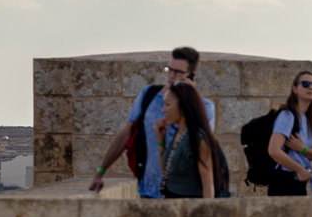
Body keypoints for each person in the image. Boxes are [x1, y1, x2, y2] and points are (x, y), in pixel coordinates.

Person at [89, 48, 216, 198]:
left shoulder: (204, 107)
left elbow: (201, 148)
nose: (171, 75)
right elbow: (125, 134)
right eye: (169, 69)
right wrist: (100, 172)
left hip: (183, 195)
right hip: (148, 191)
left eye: (178, 72)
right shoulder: (149, 94)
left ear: (191, 75)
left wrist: (189, 99)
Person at [156, 81, 217, 198]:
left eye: (167, 104)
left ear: (183, 106)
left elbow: (207, 183)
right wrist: (161, 140)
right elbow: (167, 170)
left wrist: (207, 209)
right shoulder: (179, 134)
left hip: (190, 206)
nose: (163, 110)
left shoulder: (198, 139)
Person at [268, 71, 312, 196]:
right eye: (305, 84)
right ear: (295, 89)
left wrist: (302, 148)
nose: (311, 87)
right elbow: (274, 150)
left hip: (298, 182)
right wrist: (300, 170)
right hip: (284, 180)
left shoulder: (310, 119)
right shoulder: (287, 116)